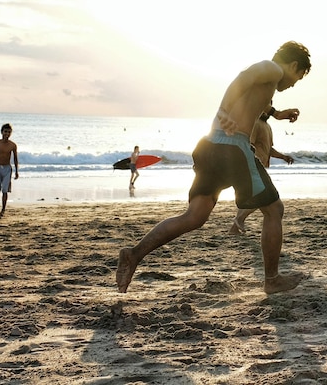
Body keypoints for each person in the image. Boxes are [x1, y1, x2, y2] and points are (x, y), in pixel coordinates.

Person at [116, 41, 312, 294]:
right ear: (294, 65)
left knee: (194, 217)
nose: (294, 83)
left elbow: (253, 95)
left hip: (209, 145)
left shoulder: (269, 81)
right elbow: (244, 78)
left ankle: (133, 254)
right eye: (298, 77)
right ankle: (272, 280)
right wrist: (222, 111)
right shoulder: (272, 69)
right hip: (232, 147)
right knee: (274, 209)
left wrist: (275, 113)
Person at [228, 104, 296, 235]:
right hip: (253, 166)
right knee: (263, 196)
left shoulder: (267, 126)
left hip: (260, 166)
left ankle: (234, 229)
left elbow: (268, 149)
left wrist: (283, 157)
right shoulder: (255, 124)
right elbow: (248, 144)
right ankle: (239, 219)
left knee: (256, 196)